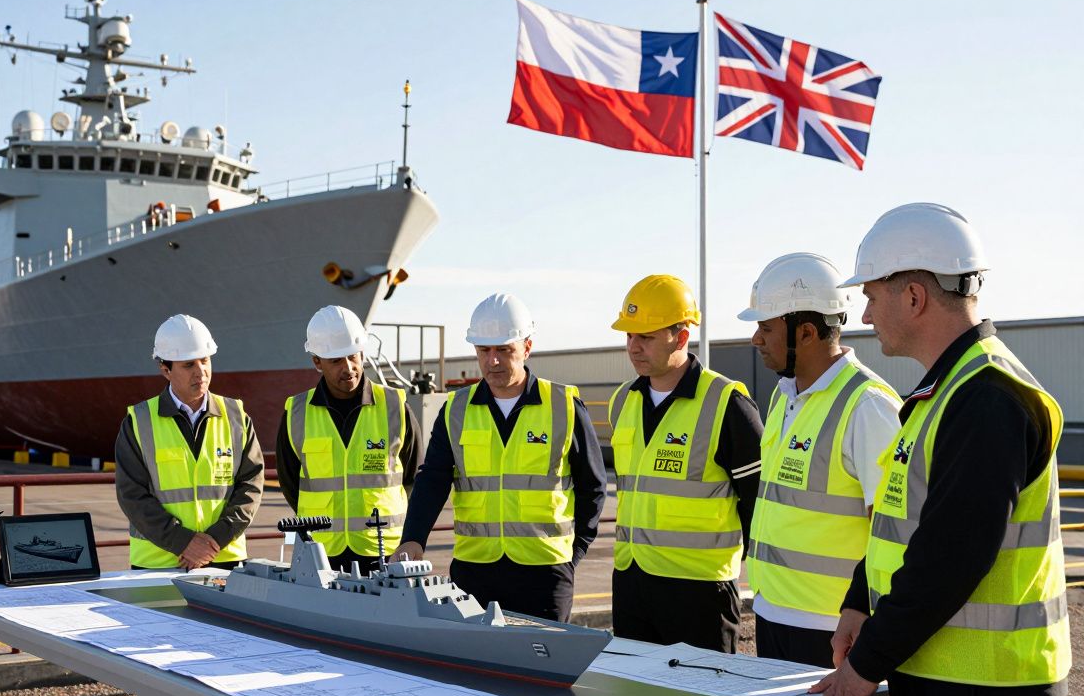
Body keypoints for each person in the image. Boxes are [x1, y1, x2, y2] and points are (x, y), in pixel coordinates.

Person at [810, 203, 1070, 696]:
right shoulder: (948, 391)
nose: (863, 316)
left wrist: (865, 666)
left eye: (870, 296)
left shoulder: (987, 398)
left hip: (991, 686)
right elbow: (900, 521)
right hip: (946, 677)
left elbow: (951, 555)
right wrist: (858, 603)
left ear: (912, 297)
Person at [393, 293, 606, 623]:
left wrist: (574, 554)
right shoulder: (456, 410)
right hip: (475, 571)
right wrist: (412, 539)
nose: (493, 360)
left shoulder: (563, 406)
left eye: (504, 350)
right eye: (484, 350)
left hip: (545, 573)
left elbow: (593, 486)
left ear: (527, 347)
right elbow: (432, 480)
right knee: (474, 667)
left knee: (544, 670)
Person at [735, 253, 900, 668]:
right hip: (774, 612)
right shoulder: (783, 395)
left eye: (765, 327)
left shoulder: (868, 406)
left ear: (805, 332)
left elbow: (893, 531)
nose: (756, 339)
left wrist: (864, 614)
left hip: (832, 629)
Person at [606, 274, 763, 653]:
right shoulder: (622, 401)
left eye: (645, 336)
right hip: (631, 583)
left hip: (700, 593)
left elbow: (758, 504)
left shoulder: (727, 405)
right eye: (629, 335)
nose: (633, 346)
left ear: (680, 336)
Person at [276, 305, 423, 571]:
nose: (348, 368)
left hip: (384, 549)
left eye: (353, 357)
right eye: (336, 361)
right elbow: (290, 481)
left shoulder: (394, 406)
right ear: (317, 362)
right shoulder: (296, 412)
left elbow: (414, 477)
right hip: (319, 551)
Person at [114, 314, 264, 572]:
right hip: (158, 563)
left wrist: (214, 540)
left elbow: (251, 484)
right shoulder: (139, 422)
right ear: (165, 370)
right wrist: (182, 542)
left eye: (205, 361)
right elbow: (132, 495)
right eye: (188, 365)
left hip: (224, 558)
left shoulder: (237, 416)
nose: (201, 372)